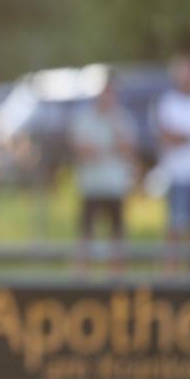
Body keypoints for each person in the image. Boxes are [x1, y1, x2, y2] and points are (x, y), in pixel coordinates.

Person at [69, 73, 137, 272]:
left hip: (115, 185)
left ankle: (116, 275)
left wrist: (113, 126)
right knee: (86, 231)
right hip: (91, 185)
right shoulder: (84, 118)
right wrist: (108, 149)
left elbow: (127, 148)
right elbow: (82, 149)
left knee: (117, 233)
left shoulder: (122, 118)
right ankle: (82, 273)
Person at [157, 53, 190, 271]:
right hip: (178, 175)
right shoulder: (168, 103)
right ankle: (170, 271)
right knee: (175, 227)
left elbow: (178, 135)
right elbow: (168, 136)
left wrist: (184, 136)